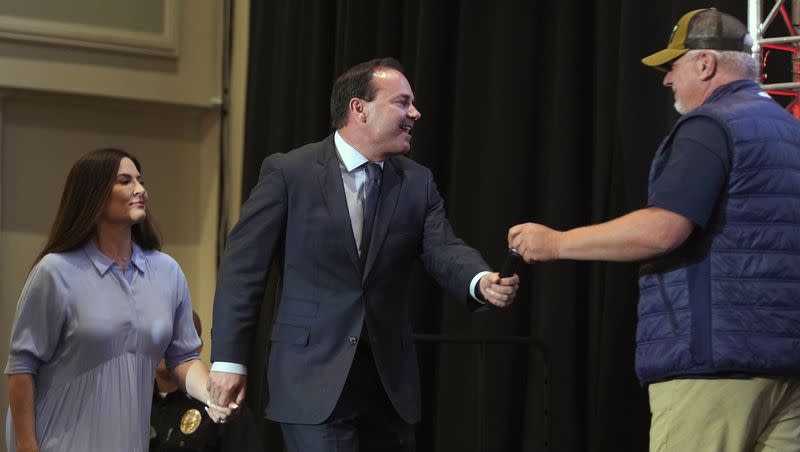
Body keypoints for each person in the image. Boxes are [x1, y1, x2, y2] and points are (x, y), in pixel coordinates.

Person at [508, 8, 800, 451]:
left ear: (705, 64)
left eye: (672, 66)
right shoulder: (787, 130)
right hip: (786, 366)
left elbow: (664, 229)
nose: (666, 80)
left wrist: (555, 243)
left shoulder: (709, 125)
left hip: (714, 369)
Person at [207, 57, 520, 452]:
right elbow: (242, 271)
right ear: (360, 108)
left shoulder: (416, 182)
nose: (415, 113)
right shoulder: (290, 173)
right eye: (402, 102)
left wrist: (480, 281)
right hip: (311, 379)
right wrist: (228, 360)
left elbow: (443, 246)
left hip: (388, 385)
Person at [5, 148, 230, 452]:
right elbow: (22, 367)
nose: (140, 189)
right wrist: (26, 444)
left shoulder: (167, 272)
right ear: (94, 195)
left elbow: (183, 358)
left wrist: (212, 394)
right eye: (125, 181)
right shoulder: (55, 272)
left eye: (140, 179)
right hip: (58, 440)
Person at [150, 311, 262, 452]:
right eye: (157, 338)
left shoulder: (223, 404)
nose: (164, 346)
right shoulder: (134, 399)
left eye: (175, 340)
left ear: (197, 347)